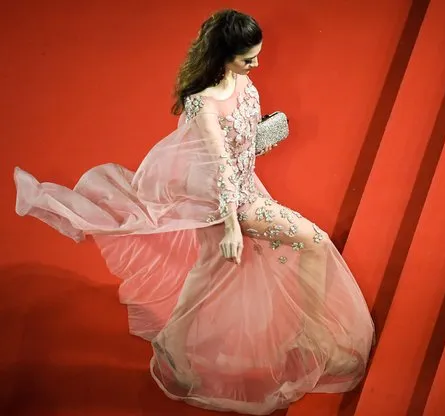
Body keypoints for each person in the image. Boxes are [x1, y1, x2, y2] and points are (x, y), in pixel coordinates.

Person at [13, 8, 375, 415]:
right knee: (313, 241)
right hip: (224, 200)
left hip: (238, 187)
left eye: (256, 55)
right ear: (223, 54)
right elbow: (220, 163)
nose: (256, 64)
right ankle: (312, 340)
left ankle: (177, 348)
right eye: (247, 58)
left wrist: (263, 135)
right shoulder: (201, 104)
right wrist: (232, 227)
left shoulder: (243, 83)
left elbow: (238, 149)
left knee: (209, 272)